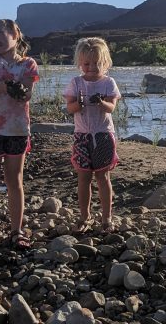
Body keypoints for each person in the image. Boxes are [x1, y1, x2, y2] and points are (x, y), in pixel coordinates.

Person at [0, 19, 39, 249]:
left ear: (15, 34)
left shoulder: (29, 64)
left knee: (15, 181)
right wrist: (7, 85)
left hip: (17, 130)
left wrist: (18, 89)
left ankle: (17, 231)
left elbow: (26, 95)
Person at [63, 37, 121, 234]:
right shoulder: (76, 82)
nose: (91, 67)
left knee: (103, 176)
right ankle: (84, 216)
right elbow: (70, 108)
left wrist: (101, 103)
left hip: (103, 134)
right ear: (80, 63)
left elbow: (112, 107)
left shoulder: (108, 83)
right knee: (83, 177)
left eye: (96, 63)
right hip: (82, 135)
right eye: (87, 63)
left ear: (105, 63)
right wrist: (77, 104)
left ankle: (106, 217)